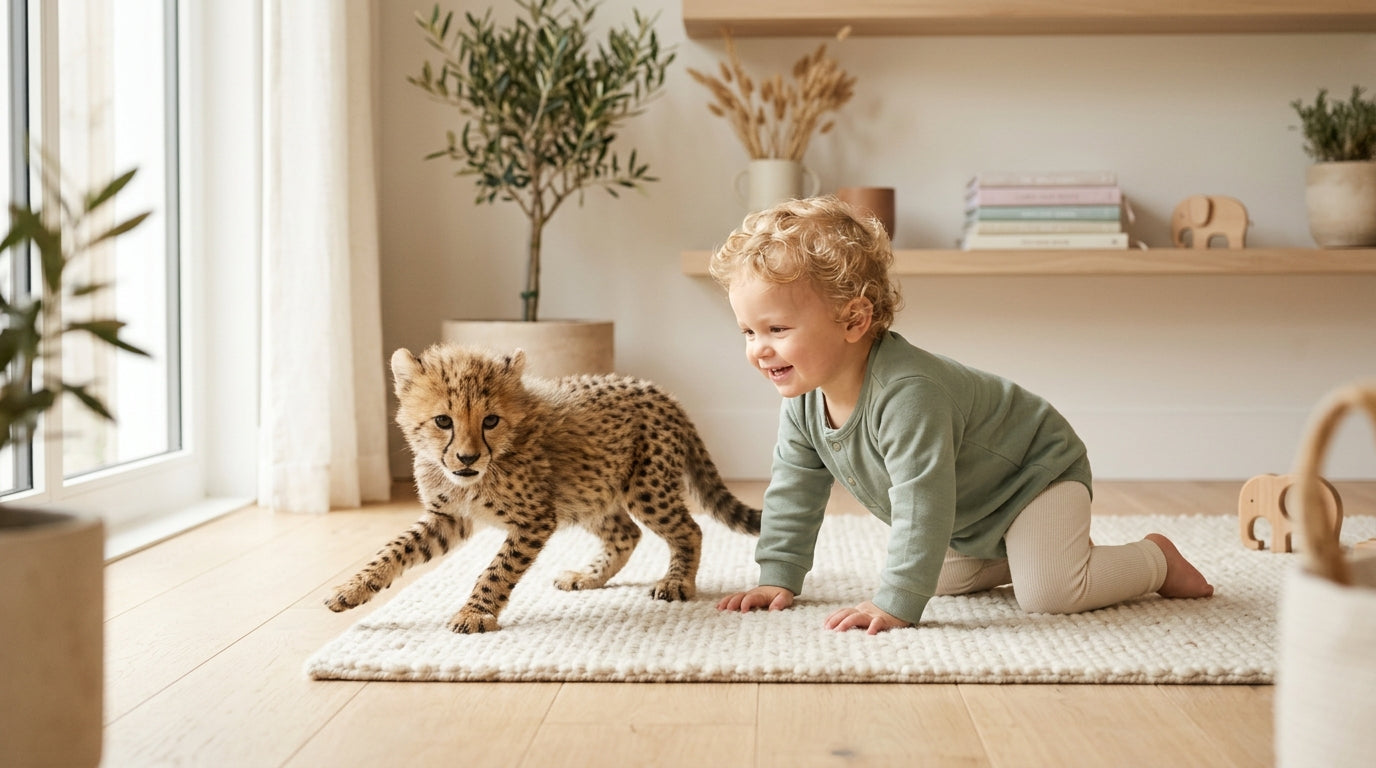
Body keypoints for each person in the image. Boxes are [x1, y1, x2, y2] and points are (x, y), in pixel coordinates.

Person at [709, 196, 1214, 634]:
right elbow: (794, 488)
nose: (759, 350)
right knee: (939, 578)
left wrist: (896, 603)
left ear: (854, 319)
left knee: (1049, 594)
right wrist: (777, 576)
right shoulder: (804, 399)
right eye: (748, 332)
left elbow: (921, 502)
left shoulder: (907, 394)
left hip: (1034, 476)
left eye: (776, 329)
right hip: (972, 509)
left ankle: (1154, 559)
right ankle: (1024, 551)